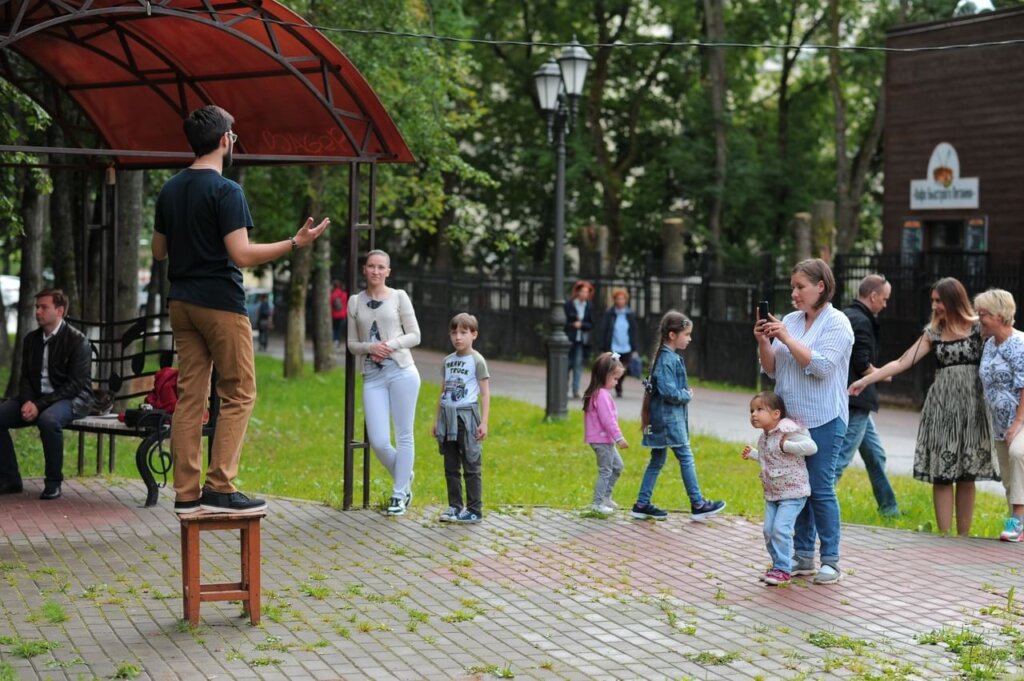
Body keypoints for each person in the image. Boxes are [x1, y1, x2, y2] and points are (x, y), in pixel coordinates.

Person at [153, 104, 329, 515]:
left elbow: (159, 252)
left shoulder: (170, 189)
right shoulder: (226, 191)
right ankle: (221, 486)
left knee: (190, 397)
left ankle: (186, 492)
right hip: (220, 304)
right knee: (239, 392)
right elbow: (242, 255)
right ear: (222, 141)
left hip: (181, 303)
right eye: (232, 134)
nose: (233, 140)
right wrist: (295, 243)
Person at [850, 277, 995, 536]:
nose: (934, 305)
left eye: (938, 300)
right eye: (933, 300)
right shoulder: (934, 333)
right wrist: (866, 380)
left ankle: (963, 537)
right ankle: (944, 536)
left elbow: (1008, 342)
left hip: (973, 408)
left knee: (966, 473)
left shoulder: (979, 329)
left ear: (953, 299)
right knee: (942, 472)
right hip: (941, 408)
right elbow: (902, 361)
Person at [756, 258, 852, 585]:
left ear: (820, 286)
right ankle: (802, 556)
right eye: (792, 287)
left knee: (820, 489)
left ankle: (831, 560)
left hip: (824, 418)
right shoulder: (791, 321)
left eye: (801, 286)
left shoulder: (838, 323)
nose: (794, 293)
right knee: (795, 488)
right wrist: (764, 342)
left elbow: (822, 368)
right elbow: (772, 370)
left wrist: (784, 336)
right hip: (791, 422)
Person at [630, 311, 726, 521]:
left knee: (657, 460)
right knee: (686, 458)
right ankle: (698, 503)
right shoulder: (666, 360)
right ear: (672, 335)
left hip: (664, 420)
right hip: (668, 422)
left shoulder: (667, 357)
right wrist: (686, 395)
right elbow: (669, 392)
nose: (689, 339)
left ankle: (641, 504)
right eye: (687, 334)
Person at [0, 289, 94, 500]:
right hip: (38, 399)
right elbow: (25, 377)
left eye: (44, 307)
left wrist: (39, 405)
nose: (38, 312)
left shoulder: (77, 341)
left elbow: (75, 385)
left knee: (49, 420)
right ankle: (9, 479)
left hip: (72, 399)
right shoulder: (31, 339)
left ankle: (53, 482)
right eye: (37, 307)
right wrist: (26, 402)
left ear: (59, 310)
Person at [348, 249, 422, 516]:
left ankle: (399, 494)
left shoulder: (399, 297)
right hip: (373, 376)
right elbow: (351, 344)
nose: (376, 271)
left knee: (404, 434)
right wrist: (370, 347)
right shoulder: (355, 302)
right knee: (378, 441)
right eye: (371, 266)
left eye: (381, 267)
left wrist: (389, 345)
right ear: (364, 269)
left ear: (388, 271)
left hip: (402, 370)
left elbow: (415, 335)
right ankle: (405, 475)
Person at [835, 274, 900, 517]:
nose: (885, 304)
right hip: (857, 399)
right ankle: (814, 508)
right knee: (840, 458)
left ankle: (890, 509)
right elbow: (862, 363)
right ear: (872, 296)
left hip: (853, 397)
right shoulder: (861, 320)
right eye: (884, 299)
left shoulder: (846, 315)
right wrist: (884, 373)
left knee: (875, 455)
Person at [742, 391, 817, 586]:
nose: (754, 414)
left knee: (780, 530)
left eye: (759, 409)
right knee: (768, 530)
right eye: (752, 410)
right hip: (773, 494)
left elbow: (811, 447)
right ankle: (778, 566)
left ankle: (784, 569)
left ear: (776, 414)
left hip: (793, 492)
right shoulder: (764, 438)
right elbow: (771, 458)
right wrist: (754, 455)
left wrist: (789, 446)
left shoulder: (787, 432)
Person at [974, 289, 1024, 542]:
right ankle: (1016, 525)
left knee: (1018, 455)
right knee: (1008, 476)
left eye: (983, 314)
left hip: (1021, 419)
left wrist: (1017, 422)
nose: (978, 318)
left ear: (1000, 316)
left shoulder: (1019, 344)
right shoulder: (990, 344)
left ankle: (1017, 521)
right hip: (1000, 422)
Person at [432, 313, 490, 524]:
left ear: (474, 334)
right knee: (450, 465)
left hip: (467, 417)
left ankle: (474, 509)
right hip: (447, 419)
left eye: (463, 332)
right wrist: (436, 421)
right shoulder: (447, 361)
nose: (458, 337)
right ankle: (454, 507)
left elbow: (484, 393)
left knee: (471, 463)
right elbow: (443, 391)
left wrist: (483, 421)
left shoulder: (477, 361)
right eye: (454, 332)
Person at [583, 352, 628, 514]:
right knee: (606, 470)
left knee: (617, 466)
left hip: (604, 440)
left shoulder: (601, 393)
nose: (617, 383)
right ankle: (597, 503)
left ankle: (605, 497)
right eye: (615, 378)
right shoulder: (601, 395)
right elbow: (608, 420)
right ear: (605, 375)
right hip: (602, 440)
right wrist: (619, 438)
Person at [599, 289, 640, 398]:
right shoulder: (610, 314)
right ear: (615, 300)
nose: (620, 301)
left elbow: (634, 331)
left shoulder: (629, 314)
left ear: (626, 300)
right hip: (614, 347)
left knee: (624, 369)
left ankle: (619, 384)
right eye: (618, 298)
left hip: (626, 347)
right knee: (614, 367)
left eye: (622, 299)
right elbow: (604, 330)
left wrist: (634, 347)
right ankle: (612, 386)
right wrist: (603, 347)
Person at [564, 280, 594, 399]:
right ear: (577, 292)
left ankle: (575, 389)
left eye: (586, 292)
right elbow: (564, 322)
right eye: (582, 291)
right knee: (566, 365)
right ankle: (563, 388)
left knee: (578, 365)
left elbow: (591, 324)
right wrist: (573, 325)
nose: (584, 294)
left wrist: (581, 325)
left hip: (581, 341)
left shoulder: (589, 306)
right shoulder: (569, 305)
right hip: (569, 339)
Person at [330, 279, 348, 351]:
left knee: (335, 329)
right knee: (339, 329)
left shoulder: (332, 294)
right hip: (343, 315)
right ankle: (337, 342)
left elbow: (330, 304)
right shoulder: (344, 294)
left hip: (334, 315)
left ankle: (335, 342)